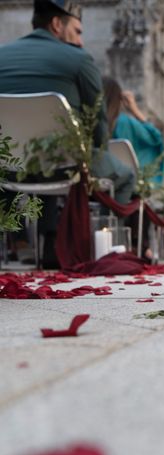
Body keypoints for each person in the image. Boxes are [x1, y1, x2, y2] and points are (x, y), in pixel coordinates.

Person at [0, 0, 135, 267]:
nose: (81, 40)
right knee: (125, 175)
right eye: (78, 30)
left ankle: (21, 240)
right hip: (64, 163)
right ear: (56, 24)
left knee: (38, 161)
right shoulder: (78, 59)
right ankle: (102, 247)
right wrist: (95, 153)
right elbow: (97, 121)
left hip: (6, 165)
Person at [102, 76, 164, 185]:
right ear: (118, 99)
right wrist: (135, 110)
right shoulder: (125, 123)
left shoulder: (85, 121)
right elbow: (155, 138)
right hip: (123, 184)